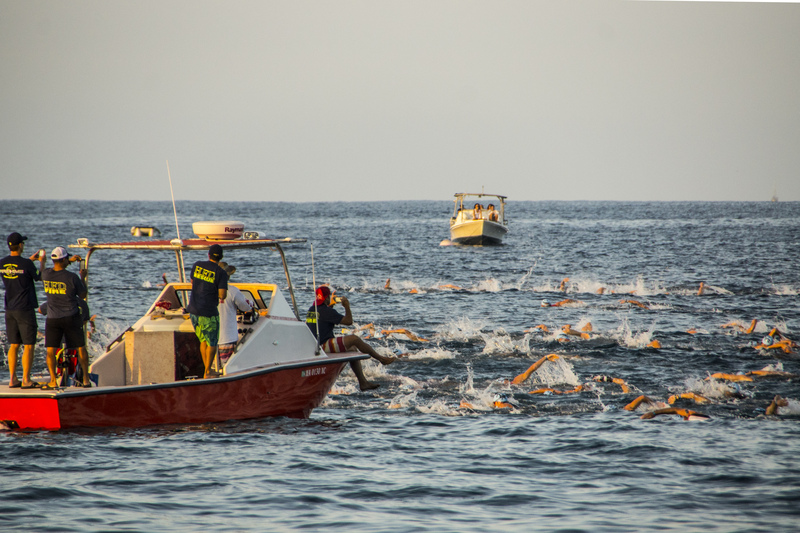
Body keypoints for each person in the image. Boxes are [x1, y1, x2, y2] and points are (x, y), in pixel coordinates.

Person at [306, 285, 395, 390]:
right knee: (354, 339)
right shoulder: (326, 311)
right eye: (329, 296)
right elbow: (349, 321)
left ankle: (363, 383)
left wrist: (331, 306)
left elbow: (323, 319)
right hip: (323, 345)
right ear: (326, 298)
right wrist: (346, 306)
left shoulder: (312, 309)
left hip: (314, 343)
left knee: (352, 349)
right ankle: (381, 359)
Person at [42, 246, 91, 389]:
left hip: (53, 319)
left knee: (50, 351)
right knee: (80, 348)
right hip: (71, 317)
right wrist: (83, 277)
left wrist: (43, 261)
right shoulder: (72, 277)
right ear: (64, 259)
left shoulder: (46, 274)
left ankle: (52, 380)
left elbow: (56, 265)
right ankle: (86, 380)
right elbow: (82, 295)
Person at [1, 232, 46, 388]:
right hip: (25, 309)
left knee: (14, 344)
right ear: (20, 245)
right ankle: (26, 379)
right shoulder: (26, 264)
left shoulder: (2, 263)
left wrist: (29, 261)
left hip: (9, 309)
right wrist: (42, 262)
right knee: (28, 345)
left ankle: (13, 378)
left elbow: (16, 268)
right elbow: (39, 277)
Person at [185, 244, 228, 378]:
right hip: (208, 313)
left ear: (208, 255)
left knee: (203, 341)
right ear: (221, 257)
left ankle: (206, 370)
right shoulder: (221, 273)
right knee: (213, 342)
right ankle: (208, 371)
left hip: (193, 311)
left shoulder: (197, 265)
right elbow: (222, 295)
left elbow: (192, 281)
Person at [216, 262, 252, 366]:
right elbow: (246, 307)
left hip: (211, 340)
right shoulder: (232, 291)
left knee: (213, 368)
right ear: (228, 276)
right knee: (226, 368)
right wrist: (251, 305)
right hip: (227, 338)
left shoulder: (207, 290)